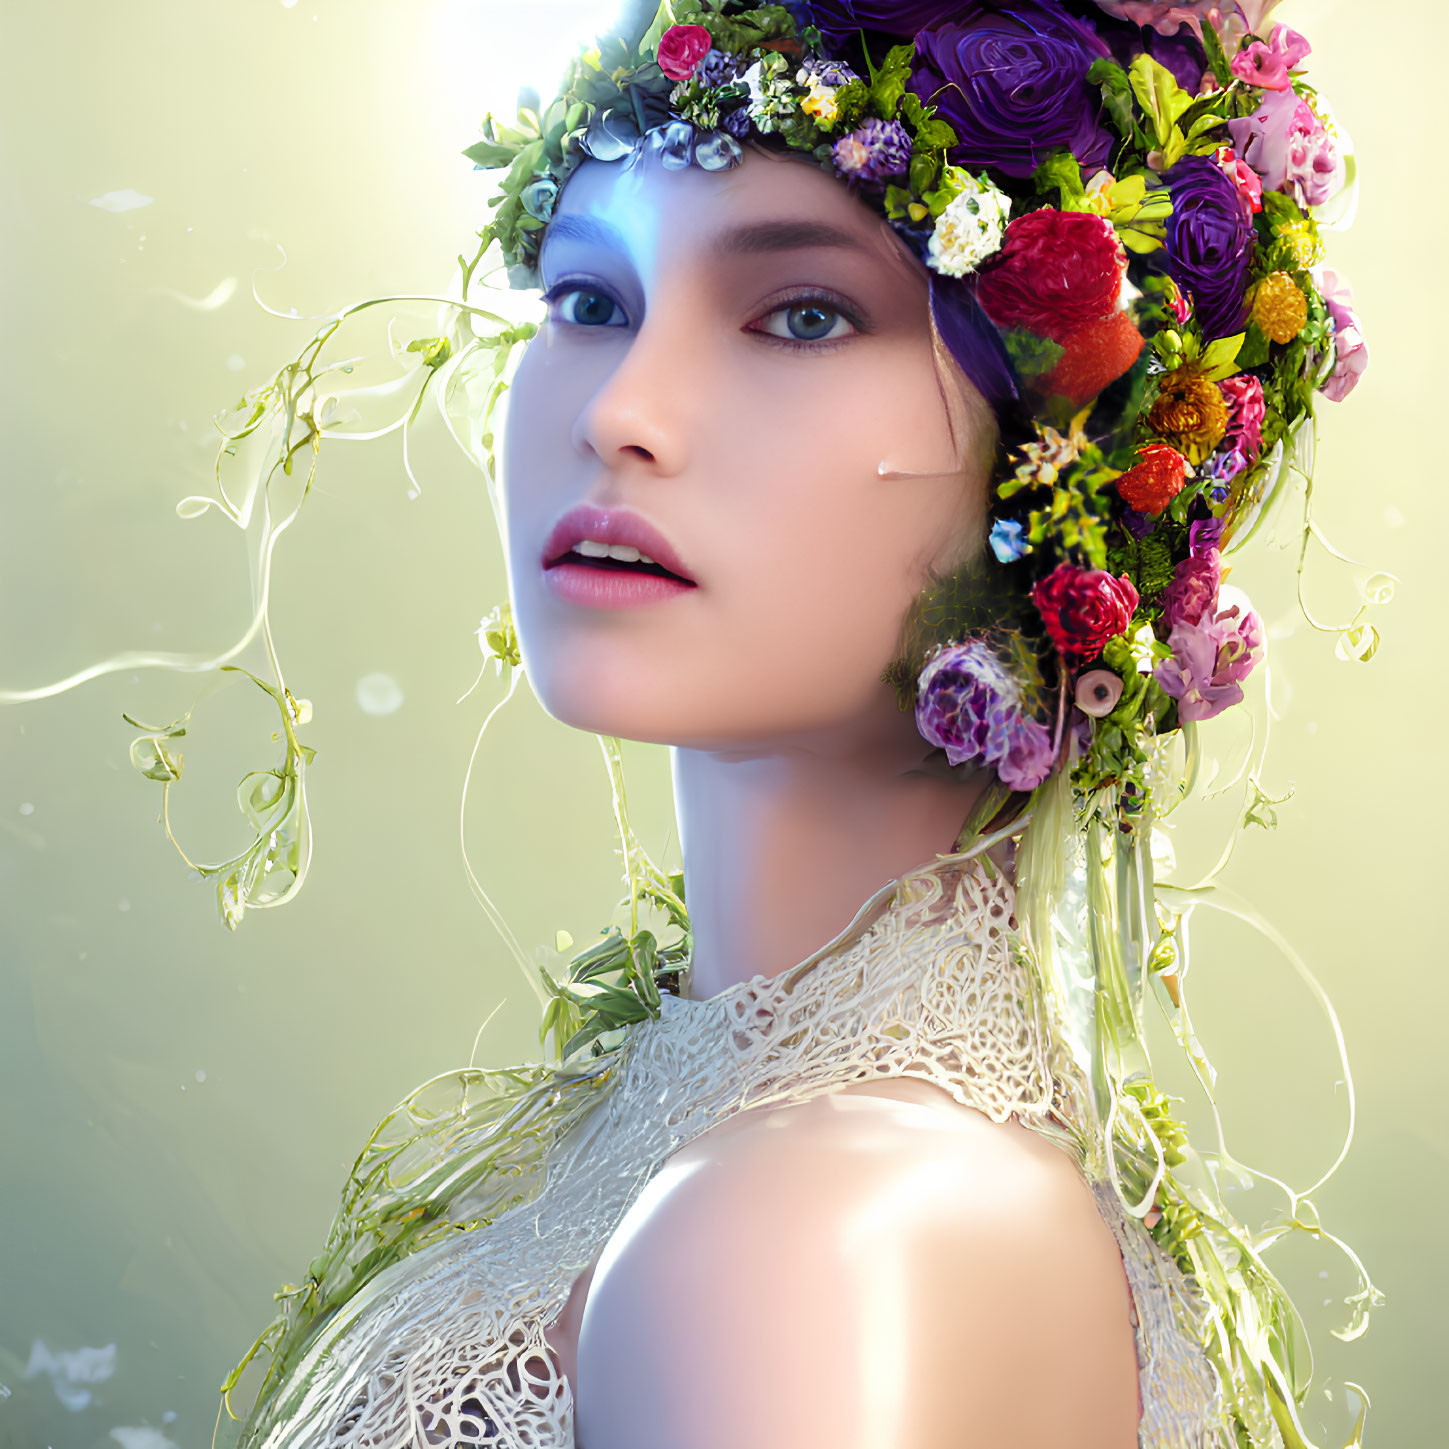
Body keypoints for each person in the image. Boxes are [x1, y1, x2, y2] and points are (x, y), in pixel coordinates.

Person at [7, 2, 1379, 1446]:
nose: (622, 412)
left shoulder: (815, 1234)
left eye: (802, 313)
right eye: (589, 301)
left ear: (1074, 466)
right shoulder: (757, 1133)